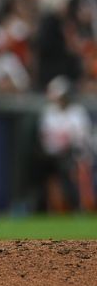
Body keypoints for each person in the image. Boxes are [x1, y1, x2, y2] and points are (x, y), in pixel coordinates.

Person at [38, 76, 96, 212]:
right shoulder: (49, 112)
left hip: (74, 154)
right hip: (51, 155)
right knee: (44, 172)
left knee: (72, 169)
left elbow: (81, 138)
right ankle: (45, 207)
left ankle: (78, 206)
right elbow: (46, 137)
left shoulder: (77, 112)